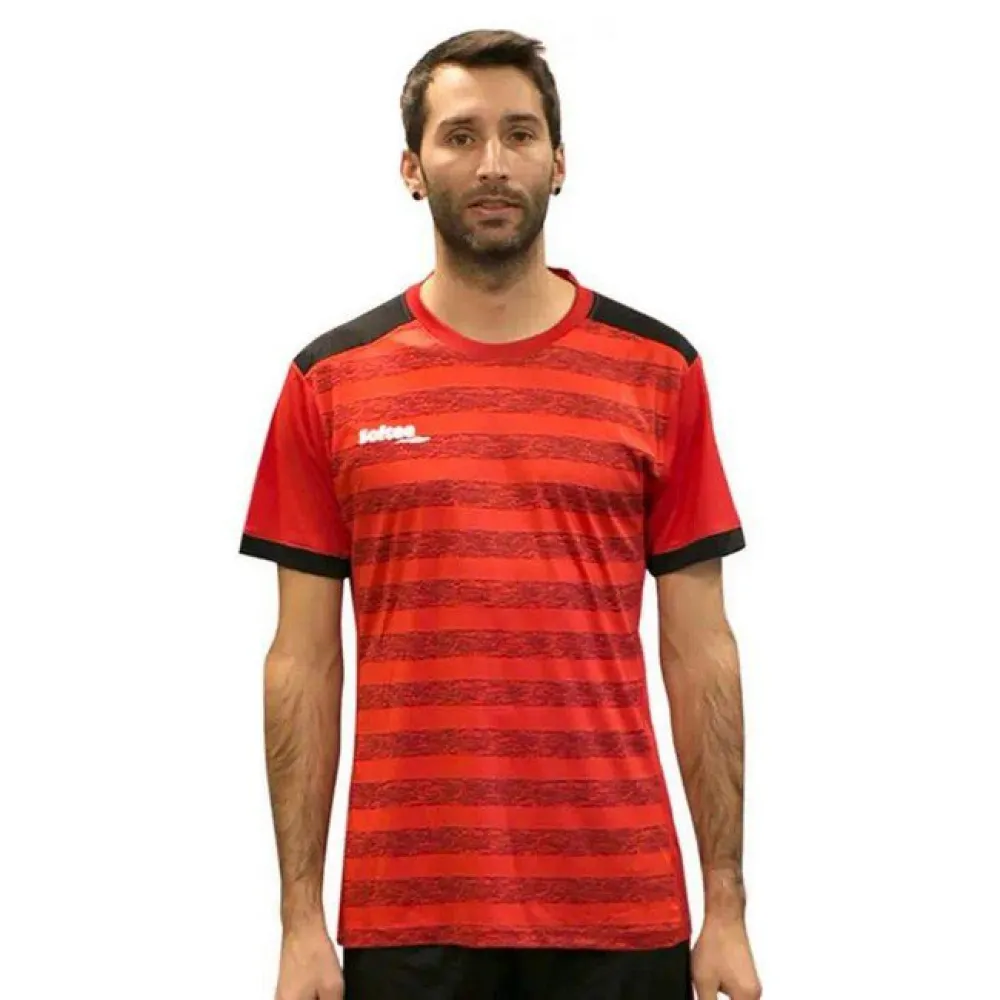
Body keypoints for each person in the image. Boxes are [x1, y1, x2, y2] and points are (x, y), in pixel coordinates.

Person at [239, 28, 762, 1000]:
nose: (491, 163)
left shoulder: (660, 372)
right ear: (410, 167)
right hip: (408, 917)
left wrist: (726, 907)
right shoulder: (327, 383)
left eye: (520, 134)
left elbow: (702, 653)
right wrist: (299, 921)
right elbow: (301, 663)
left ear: (559, 163)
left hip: (621, 913)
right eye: (459, 135)